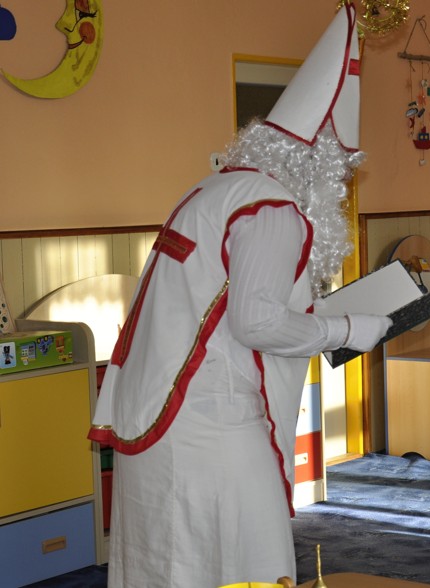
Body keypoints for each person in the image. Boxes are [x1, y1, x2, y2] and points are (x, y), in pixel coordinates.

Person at [88, 5, 392, 587]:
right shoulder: (274, 209)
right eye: (339, 168)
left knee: (167, 560)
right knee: (250, 553)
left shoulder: (215, 190)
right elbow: (255, 321)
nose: (340, 183)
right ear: (317, 161)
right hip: (208, 417)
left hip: (156, 411)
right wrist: (348, 330)